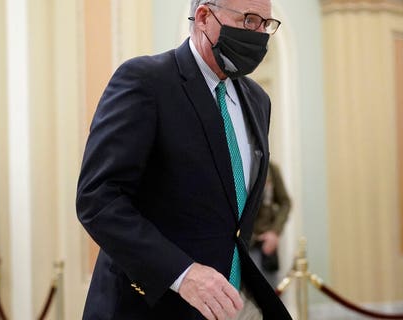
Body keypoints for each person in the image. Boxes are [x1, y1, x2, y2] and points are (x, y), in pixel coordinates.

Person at [76, 0, 291, 319]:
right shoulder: (146, 81)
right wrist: (183, 273)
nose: (259, 34)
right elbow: (99, 199)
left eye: (266, 24)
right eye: (248, 21)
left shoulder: (258, 101)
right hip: (147, 306)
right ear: (204, 16)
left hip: (226, 305)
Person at [249, 162, 290, 287]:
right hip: (238, 244)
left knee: (268, 295)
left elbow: (285, 203)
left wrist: (274, 232)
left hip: (264, 245)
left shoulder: (271, 169)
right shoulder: (236, 167)